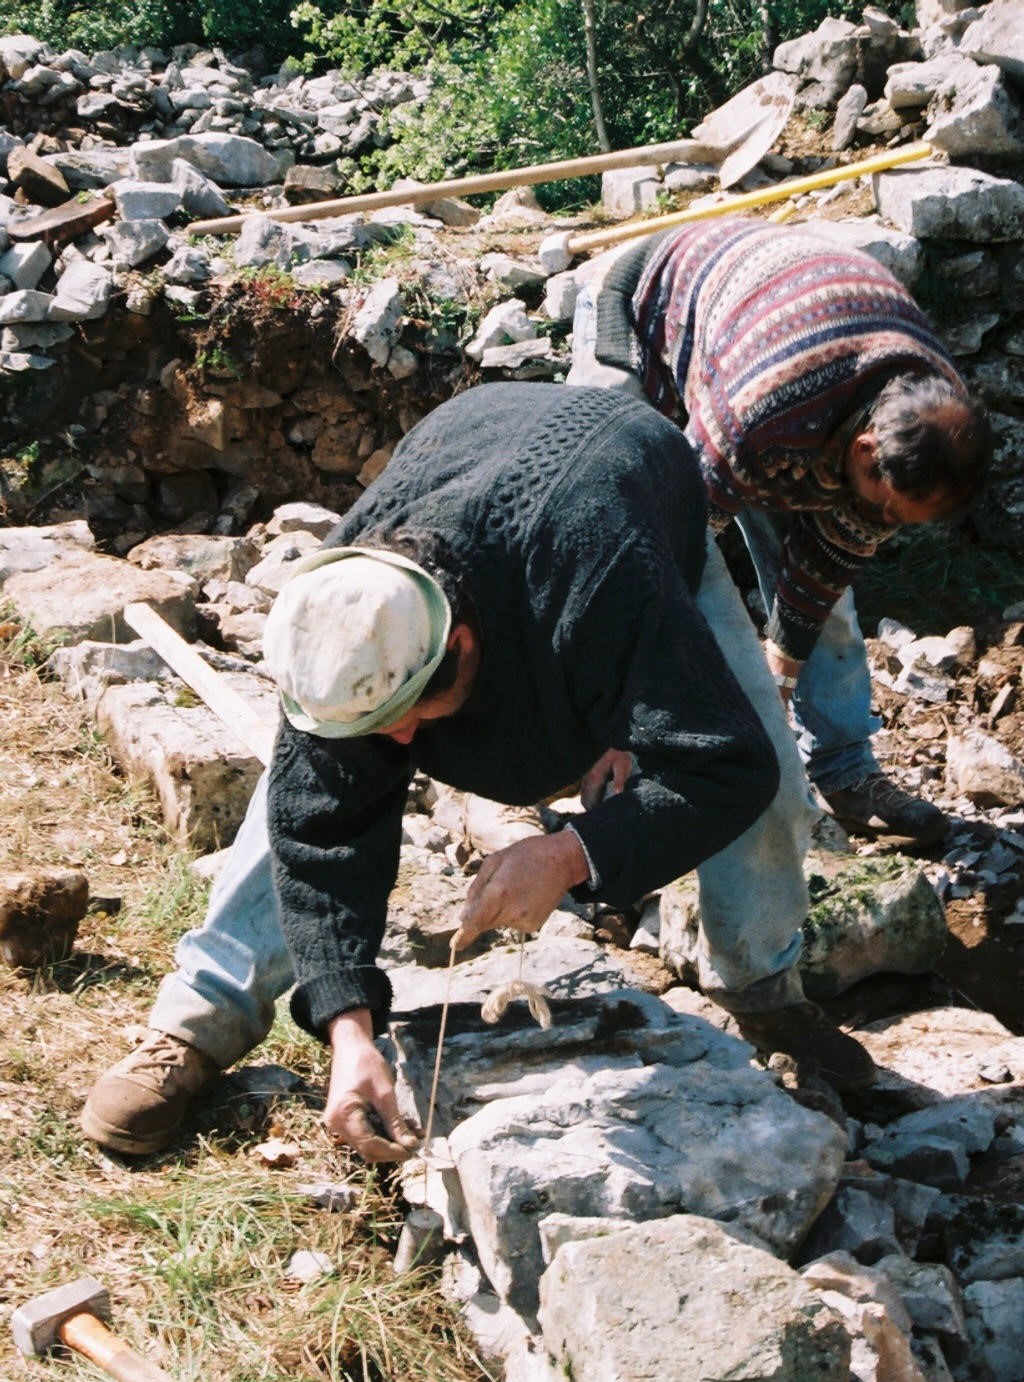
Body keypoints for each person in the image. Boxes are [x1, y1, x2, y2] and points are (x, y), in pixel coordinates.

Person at [82, 383, 875, 1165]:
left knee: (765, 793)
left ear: (458, 641)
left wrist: (571, 852)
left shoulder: (600, 574)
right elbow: (321, 829)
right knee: (304, 789)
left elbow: (722, 764)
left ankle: (762, 986)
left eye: (404, 709)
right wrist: (349, 1030)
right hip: (477, 455)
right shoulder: (348, 617)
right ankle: (197, 1018)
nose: (391, 737)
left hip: (626, 509)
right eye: (374, 718)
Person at [566, 214, 992, 846]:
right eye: (889, 509)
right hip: (646, 310)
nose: (885, 528)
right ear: (865, 450)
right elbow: (663, 554)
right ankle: (590, 742)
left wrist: (779, 677)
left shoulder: (932, 411)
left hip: (772, 342)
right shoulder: (765, 413)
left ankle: (845, 772)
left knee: (832, 609)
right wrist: (633, 710)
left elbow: (828, 560)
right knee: (603, 514)